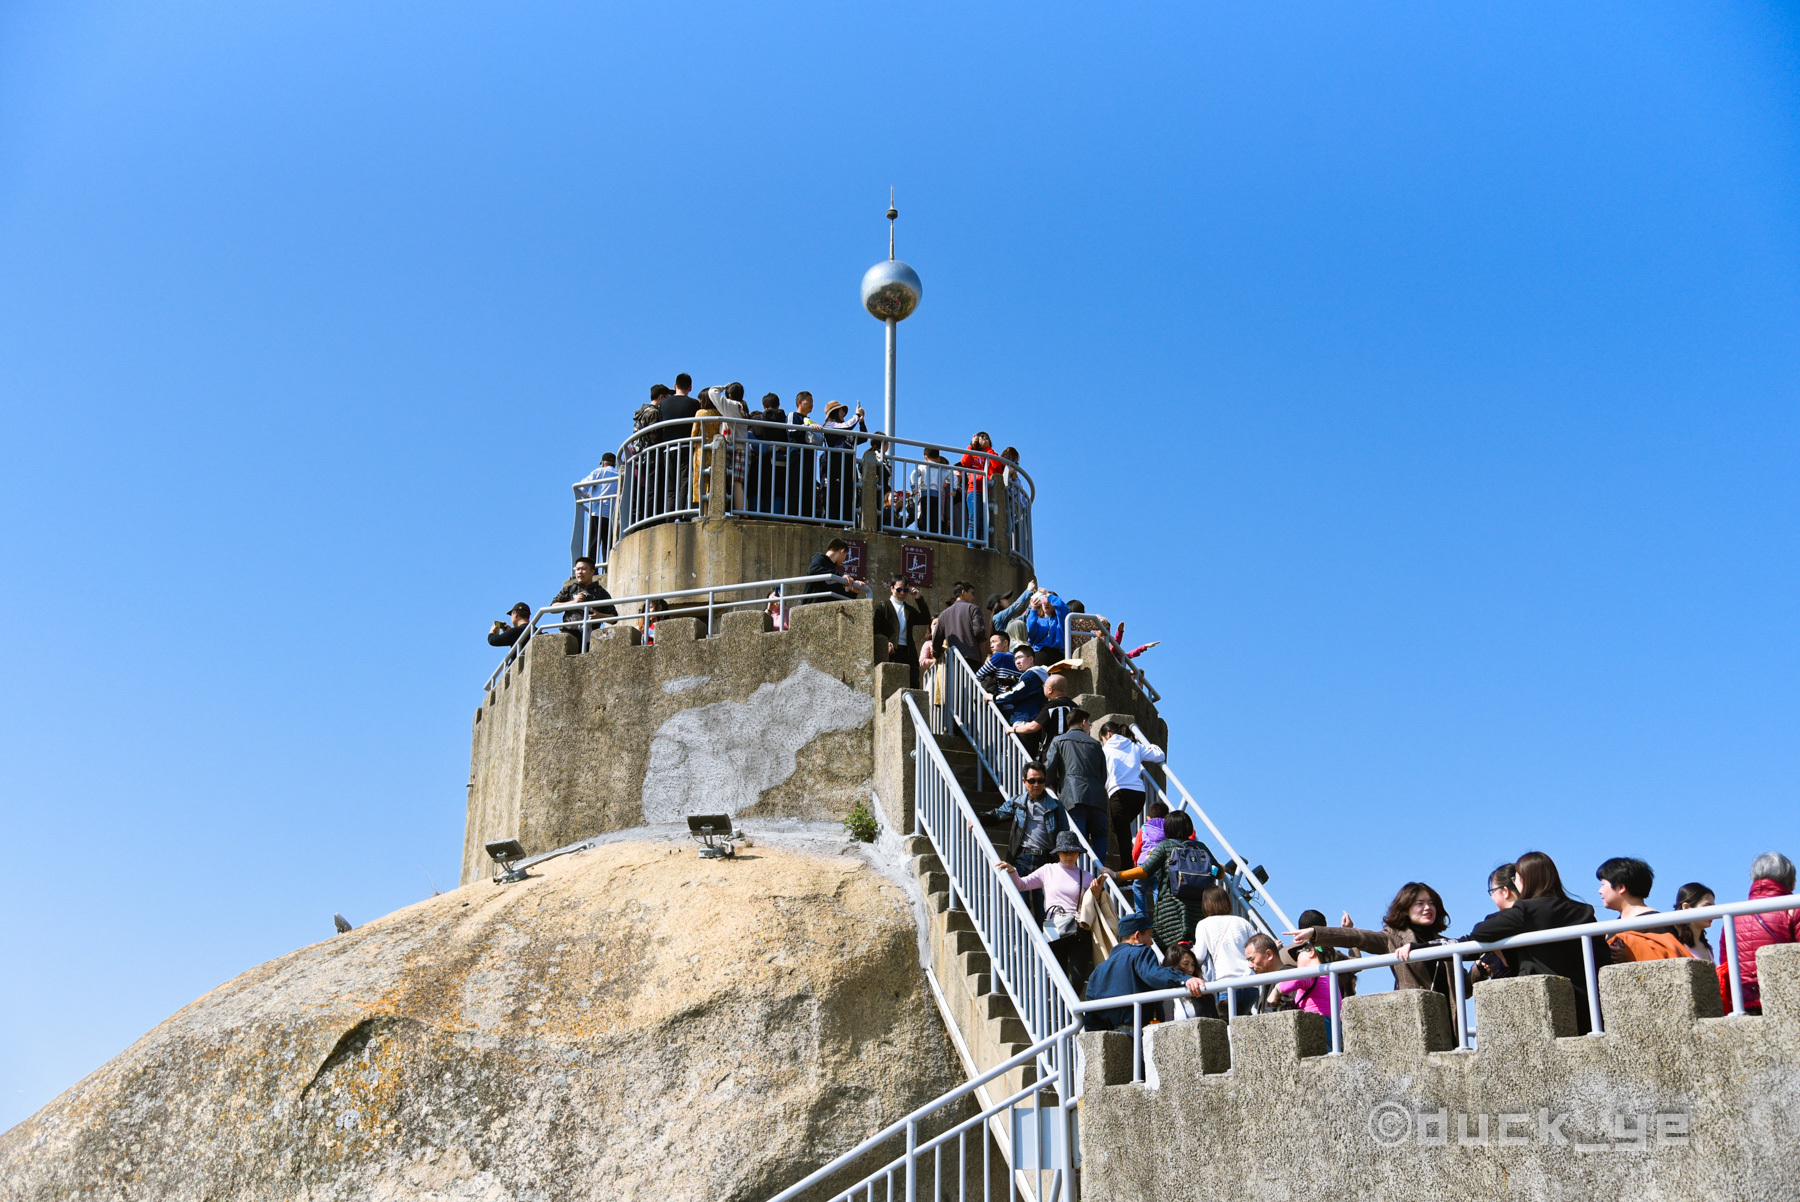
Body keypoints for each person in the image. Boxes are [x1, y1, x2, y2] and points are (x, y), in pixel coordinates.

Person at [1466, 851, 1610, 1034]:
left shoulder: (1527, 910)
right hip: (1590, 1004)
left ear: (1526, 879)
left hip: (1549, 1005)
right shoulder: (1582, 910)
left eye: (1516, 877)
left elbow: (1480, 931)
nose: (1515, 882)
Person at [1288, 882, 1460, 1003]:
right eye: (1420, 903)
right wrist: (1316, 933)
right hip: (1415, 1021)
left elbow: (1463, 988)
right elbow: (1360, 938)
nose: (1427, 908)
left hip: (1450, 1028)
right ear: (1405, 909)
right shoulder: (1393, 937)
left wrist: (1480, 968)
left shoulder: (1444, 944)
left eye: (1432, 903)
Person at [997, 830, 1104, 993]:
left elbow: (1093, 905)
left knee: (1077, 979)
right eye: (1065, 852)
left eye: (1073, 852)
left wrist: (1096, 894)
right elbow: (1022, 885)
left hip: (1079, 929)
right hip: (1053, 927)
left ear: (1078, 853)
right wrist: (1013, 871)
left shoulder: (1087, 876)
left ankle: (1069, 1012)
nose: (1069, 856)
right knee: (1056, 977)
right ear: (1058, 853)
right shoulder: (1047, 870)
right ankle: (1060, 1012)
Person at [1082, 911, 1205, 1032]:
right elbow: (1153, 974)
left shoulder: (1098, 970)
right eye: (1150, 935)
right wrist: (1184, 979)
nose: (1151, 942)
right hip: (1137, 1036)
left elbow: (1091, 1015)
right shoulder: (1141, 952)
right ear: (1137, 936)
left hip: (1109, 1039)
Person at [1108, 812, 1214, 949]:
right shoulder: (1201, 847)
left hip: (1170, 907)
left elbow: (1144, 870)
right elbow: (1219, 872)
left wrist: (1117, 875)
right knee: (1194, 947)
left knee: (1169, 948)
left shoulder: (1165, 846)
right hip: (1197, 907)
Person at [1724, 852, 1799, 1014]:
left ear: (1753, 879)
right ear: (1792, 882)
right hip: (1785, 1001)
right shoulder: (1794, 909)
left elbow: (1726, 965)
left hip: (1743, 1004)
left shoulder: (1732, 915)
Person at [992, 763, 1068, 918]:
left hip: (1046, 861)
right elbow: (997, 815)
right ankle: (1023, 941)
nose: (1036, 785)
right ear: (1024, 781)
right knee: (1021, 905)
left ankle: (1046, 942)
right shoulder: (1018, 803)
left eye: (1040, 780)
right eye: (1032, 781)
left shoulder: (1055, 806)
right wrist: (978, 819)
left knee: (1046, 909)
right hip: (1021, 859)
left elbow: (1064, 835)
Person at [1596, 857, 1692, 962]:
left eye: (1603, 884)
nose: (1600, 891)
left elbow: (1670, 961)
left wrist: (1631, 955)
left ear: (1621, 887)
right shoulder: (1611, 927)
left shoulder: (1658, 923)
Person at [1046, 709, 1109, 863]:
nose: (1089, 727)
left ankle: (1081, 875)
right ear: (1083, 722)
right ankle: (1099, 875)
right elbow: (1103, 775)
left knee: (1077, 839)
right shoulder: (1096, 744)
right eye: (1089, 723)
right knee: (1100, 836)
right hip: (1098, 799)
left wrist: (1049, 785)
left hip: (1073, 797)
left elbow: (1049, 769)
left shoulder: (1059, 740)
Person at [1101, 723, 1166, 874]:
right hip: (1138, 795)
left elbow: (1103, 773)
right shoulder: (1134, 746)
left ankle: (1128, 872)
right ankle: (1135, 861)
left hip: (1119, 794)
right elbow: (1159, 755)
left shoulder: (1105, 749)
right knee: (1120, 830)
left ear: (1108, 735)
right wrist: (1151, 746)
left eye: (1102, 739)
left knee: (1121, 834)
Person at [1190, 886, 1259, 1017]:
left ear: (1206, 904)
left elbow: (1199, 956)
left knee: (1228, 1027)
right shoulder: (1242, 922)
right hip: (1250, 983)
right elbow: (1257, 947)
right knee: (1246, 1027)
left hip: (1226, 983)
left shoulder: (1204, 924)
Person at [872, 574, 932, 685]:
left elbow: (925, 619)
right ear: (891, 588)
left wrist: (918, 599)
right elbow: (875, 629)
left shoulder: (909, 609)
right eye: (899, 589)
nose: (902, 593)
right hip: (891, 652)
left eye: (905, 590)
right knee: (890, 685)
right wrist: (885, 642)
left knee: (912, 684)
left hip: (908, 653)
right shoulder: (882, 607)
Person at [1469, 865, 1521, 984]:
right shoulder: (1540, 914)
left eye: (1492, 891)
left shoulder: (1494, 923)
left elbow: (1477, 932)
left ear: (1505, 892)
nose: (1492, 897)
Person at [820, 400, 866, 523]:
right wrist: (856, 415)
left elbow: (863, 437)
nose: (843, 413)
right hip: (835, 466)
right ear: (834, 412)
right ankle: (831, 524)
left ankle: (846, 523)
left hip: (847, 467)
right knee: (833, 497)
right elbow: (848, 426)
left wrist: (861, 421)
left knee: (848, 497)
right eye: (841, 411)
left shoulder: (845, 430)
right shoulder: (829, 425)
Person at [552, 557, 618, 638]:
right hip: (570, 633)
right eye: (577, 569)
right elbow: (553, 608)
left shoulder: (601, 592)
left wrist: (599, 616)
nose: (579, 572)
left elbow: (614, 618)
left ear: (592, 571)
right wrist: (573, 602)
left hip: (591, 636)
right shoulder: (569, 590)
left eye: (583, 569)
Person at [1011, 673, 1074, 756]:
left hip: (1052, 750)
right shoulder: (1074, 706)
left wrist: (1014, 729)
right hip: (1071, 750)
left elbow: (1033, 726)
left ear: (1050, 690)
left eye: (1045, 686)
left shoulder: (1052, 705)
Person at [748, 392, 790, 515]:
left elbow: (752, 444)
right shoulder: (786, 421)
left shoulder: (756, 420)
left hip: (759, 465)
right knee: (777, 496)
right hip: (780, 467)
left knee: (756, 495)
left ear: (763, 405)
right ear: (778, 405)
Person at [956, 432, 1001, 542]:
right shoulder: (972, 453)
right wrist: (972, 445)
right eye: (980, 438)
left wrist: (988, 449)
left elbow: (997, 466)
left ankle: (981, 544)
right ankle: (972, 545)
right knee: (974, 521)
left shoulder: (991, 453)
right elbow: (965, 462)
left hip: (988, 491)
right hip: (974, 490)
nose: (982, 440)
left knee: (985, 522)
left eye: (985, 438)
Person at [576, 453, 619, 563]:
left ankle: (592, 568)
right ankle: (608, 567)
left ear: (603, 463)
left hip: (597, 511)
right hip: (612, 513)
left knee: (593, 543)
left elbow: (581, 487)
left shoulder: (598, 472)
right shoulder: (619, 474)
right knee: (608, 543)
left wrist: (588, 495)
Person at [935, 581, 989, 667]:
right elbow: (979, 631)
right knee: (971, 680)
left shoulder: (944, 614)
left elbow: (937, 638)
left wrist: (936, 655)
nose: (973, 597)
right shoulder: (973, 608)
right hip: (972, 657)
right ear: (963, 593)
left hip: (952, 660)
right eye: (972, 593)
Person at [787, 392, 823, 518]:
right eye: (809, 401)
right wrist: (808, 427)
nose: (812, 405)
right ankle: (792, 517)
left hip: (809, 457)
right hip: (796, 456)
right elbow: (791, 431)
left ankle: (806, 517)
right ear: (800, 402)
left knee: (808, 489)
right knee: (795, 487)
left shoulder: (811, 421)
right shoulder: (793, 415)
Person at [1275, 942, 1333, 1016]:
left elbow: (1297, 981)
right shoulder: (1330, 977)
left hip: (1316, 1023)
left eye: (1298, 953)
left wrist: (1276, 991)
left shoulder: (1311, 971)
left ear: (1311, 952)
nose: (1297, 960)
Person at [803, 539, 869, 601]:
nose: (844, 560)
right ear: (842, 551)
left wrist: (853, 591)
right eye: (846, 555)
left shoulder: (833, 571)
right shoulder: (820, 559)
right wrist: (840, 575)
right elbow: (812, 570)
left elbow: (840, 596)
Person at [995, 649, 1049, 725]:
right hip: (1032, 719)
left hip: (1025, 719)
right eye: (1015, 659)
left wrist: (994, 698)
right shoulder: (1037, 674)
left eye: (1020, 657)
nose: (1017, 662)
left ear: (1031, 659)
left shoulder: (1030, 675)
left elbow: (1013, 694)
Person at [1021, 590, 1072, 665]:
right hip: (1039, 653)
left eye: (1049, 600)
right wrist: (1033, 610)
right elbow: (1030, 633)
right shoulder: (1037, 620)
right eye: (1044, 600)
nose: (1046, 603)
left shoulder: (1060, 620)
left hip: (1057, 654)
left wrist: (1048, 594)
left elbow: (1062, 607)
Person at [910, 448, 953, 536]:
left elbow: (913, 476)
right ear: (938, 458)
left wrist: (913, 487)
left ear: (925, 457)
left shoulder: (922, 468)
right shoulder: (937, 472)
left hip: (928, 503)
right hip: (932, 509)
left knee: (928, 523)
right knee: (931, 523)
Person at [1672, 881, 1717, 963]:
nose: (1713, 912)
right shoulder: (1674, 943)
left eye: (1714, 908)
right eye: (1707, 906)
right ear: (1686, 907)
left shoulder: (1708, 947)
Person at [1161, 944, 1204, 1022]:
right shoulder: (1160, 997)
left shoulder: (1203, 994)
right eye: (1185, 964)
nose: (1191, 969)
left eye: (1192, 964)